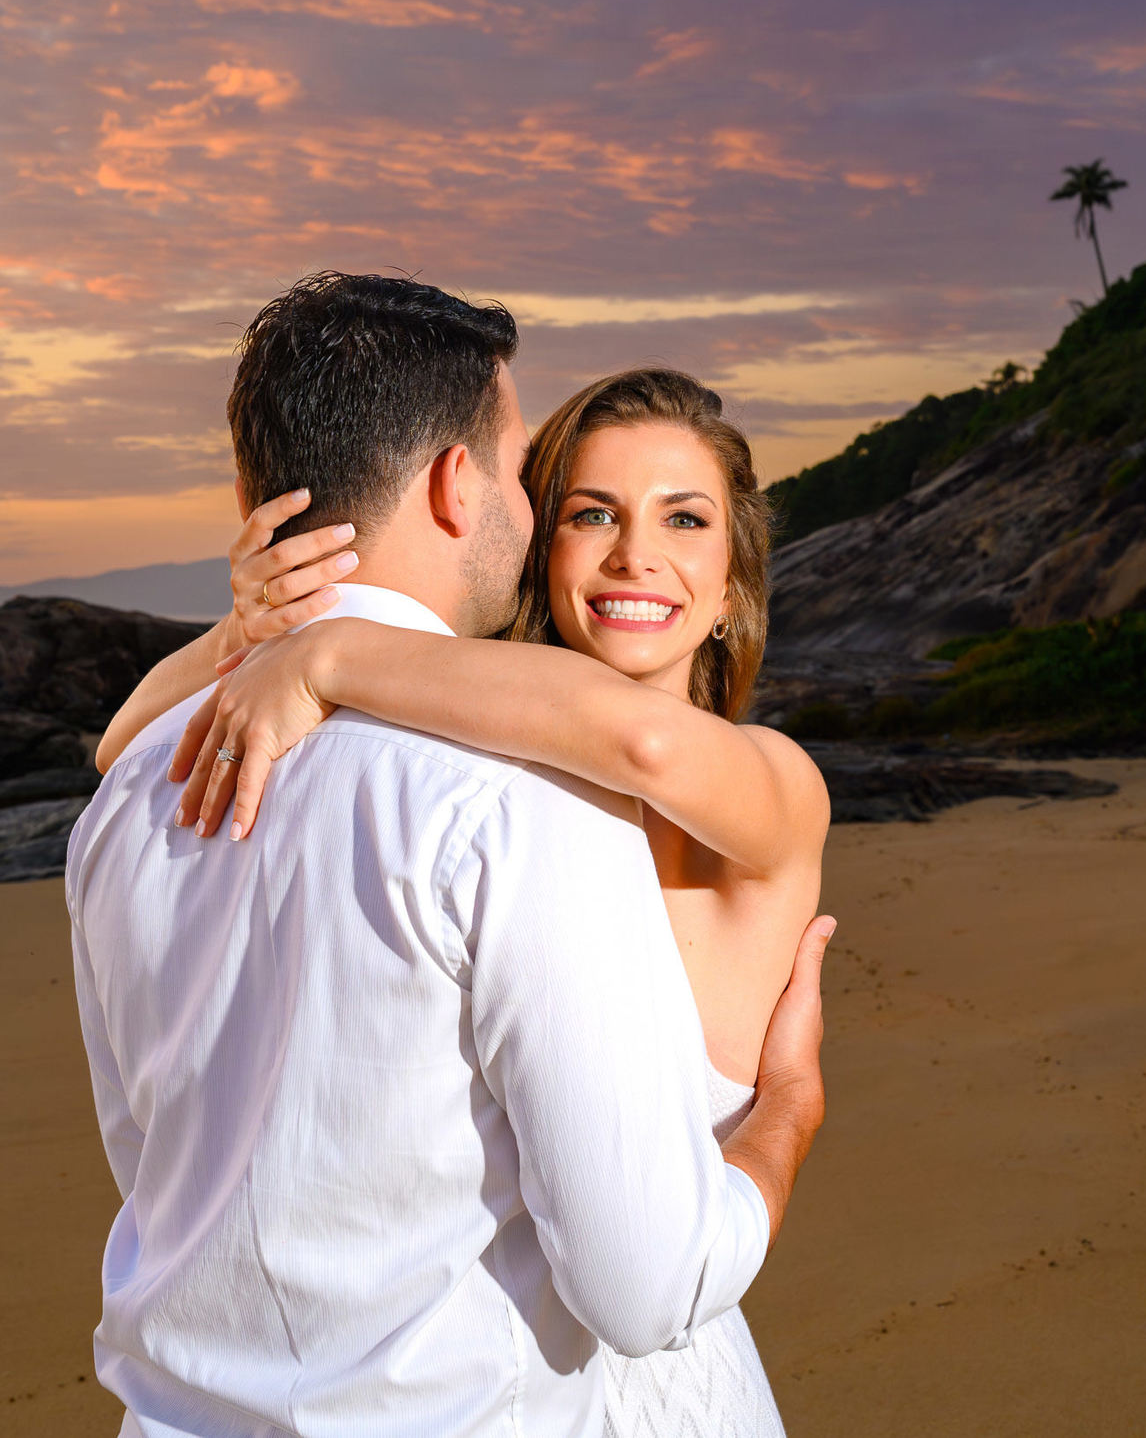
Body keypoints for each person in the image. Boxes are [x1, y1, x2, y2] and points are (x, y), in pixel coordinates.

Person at [74, 273, 833, 1438]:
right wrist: (256, 639)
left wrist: (327, 654)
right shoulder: (521, 802)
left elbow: (640, 739)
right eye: (586, 510)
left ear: (733, 580)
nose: (635, 555)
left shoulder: (737, 785)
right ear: (477, 498)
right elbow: (644, 1281)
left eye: (687, 519)